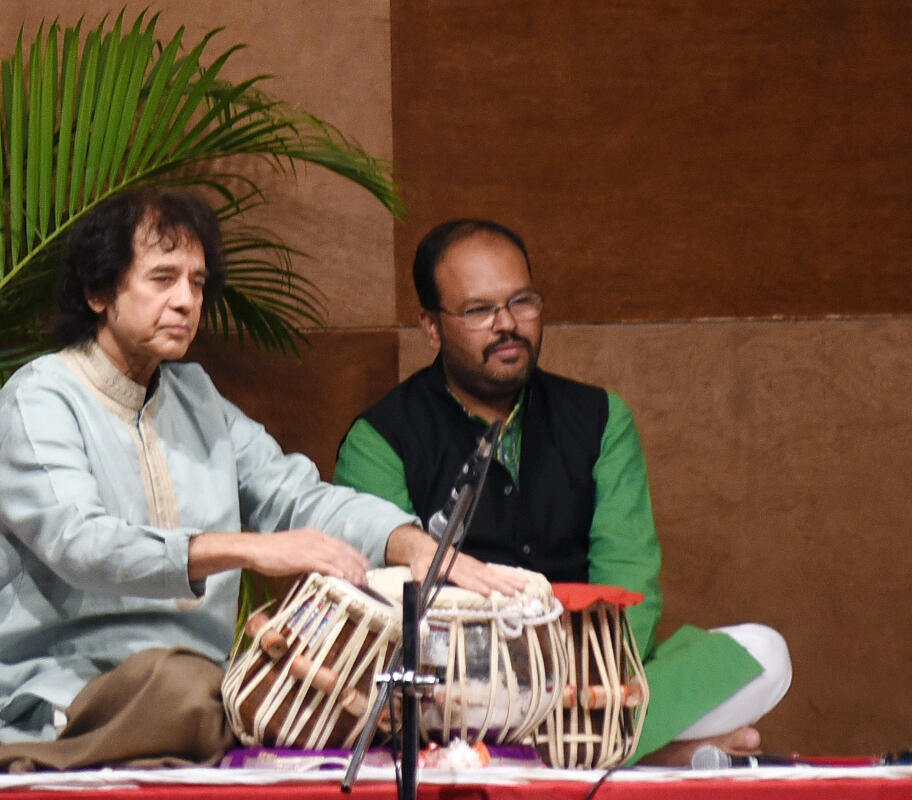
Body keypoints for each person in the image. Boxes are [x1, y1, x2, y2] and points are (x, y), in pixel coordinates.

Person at [0, 189, 523, 749]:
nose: (185, 300)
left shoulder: (194, 398)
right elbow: (80, 543)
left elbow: (296, 497)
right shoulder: (39, 401)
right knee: (189, 687)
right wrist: (248, 549)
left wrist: (411, 545)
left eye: (197, 283)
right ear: (100, 292)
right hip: (57, 695)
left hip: (193, 691)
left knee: (338, 686)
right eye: (163, 278)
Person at [334, 219, 791, 765]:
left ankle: (547, 756)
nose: (507, 325)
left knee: (766, 654)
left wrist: (584, 682)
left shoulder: (600, 419)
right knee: (390, 703)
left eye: (521, 302)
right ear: (432, 327)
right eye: (479, 311)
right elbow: (383, 605)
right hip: (456, 693)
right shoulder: (380, 439)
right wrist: (503, 679)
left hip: (588, 680)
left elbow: (630, 580)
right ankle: (638, 756)